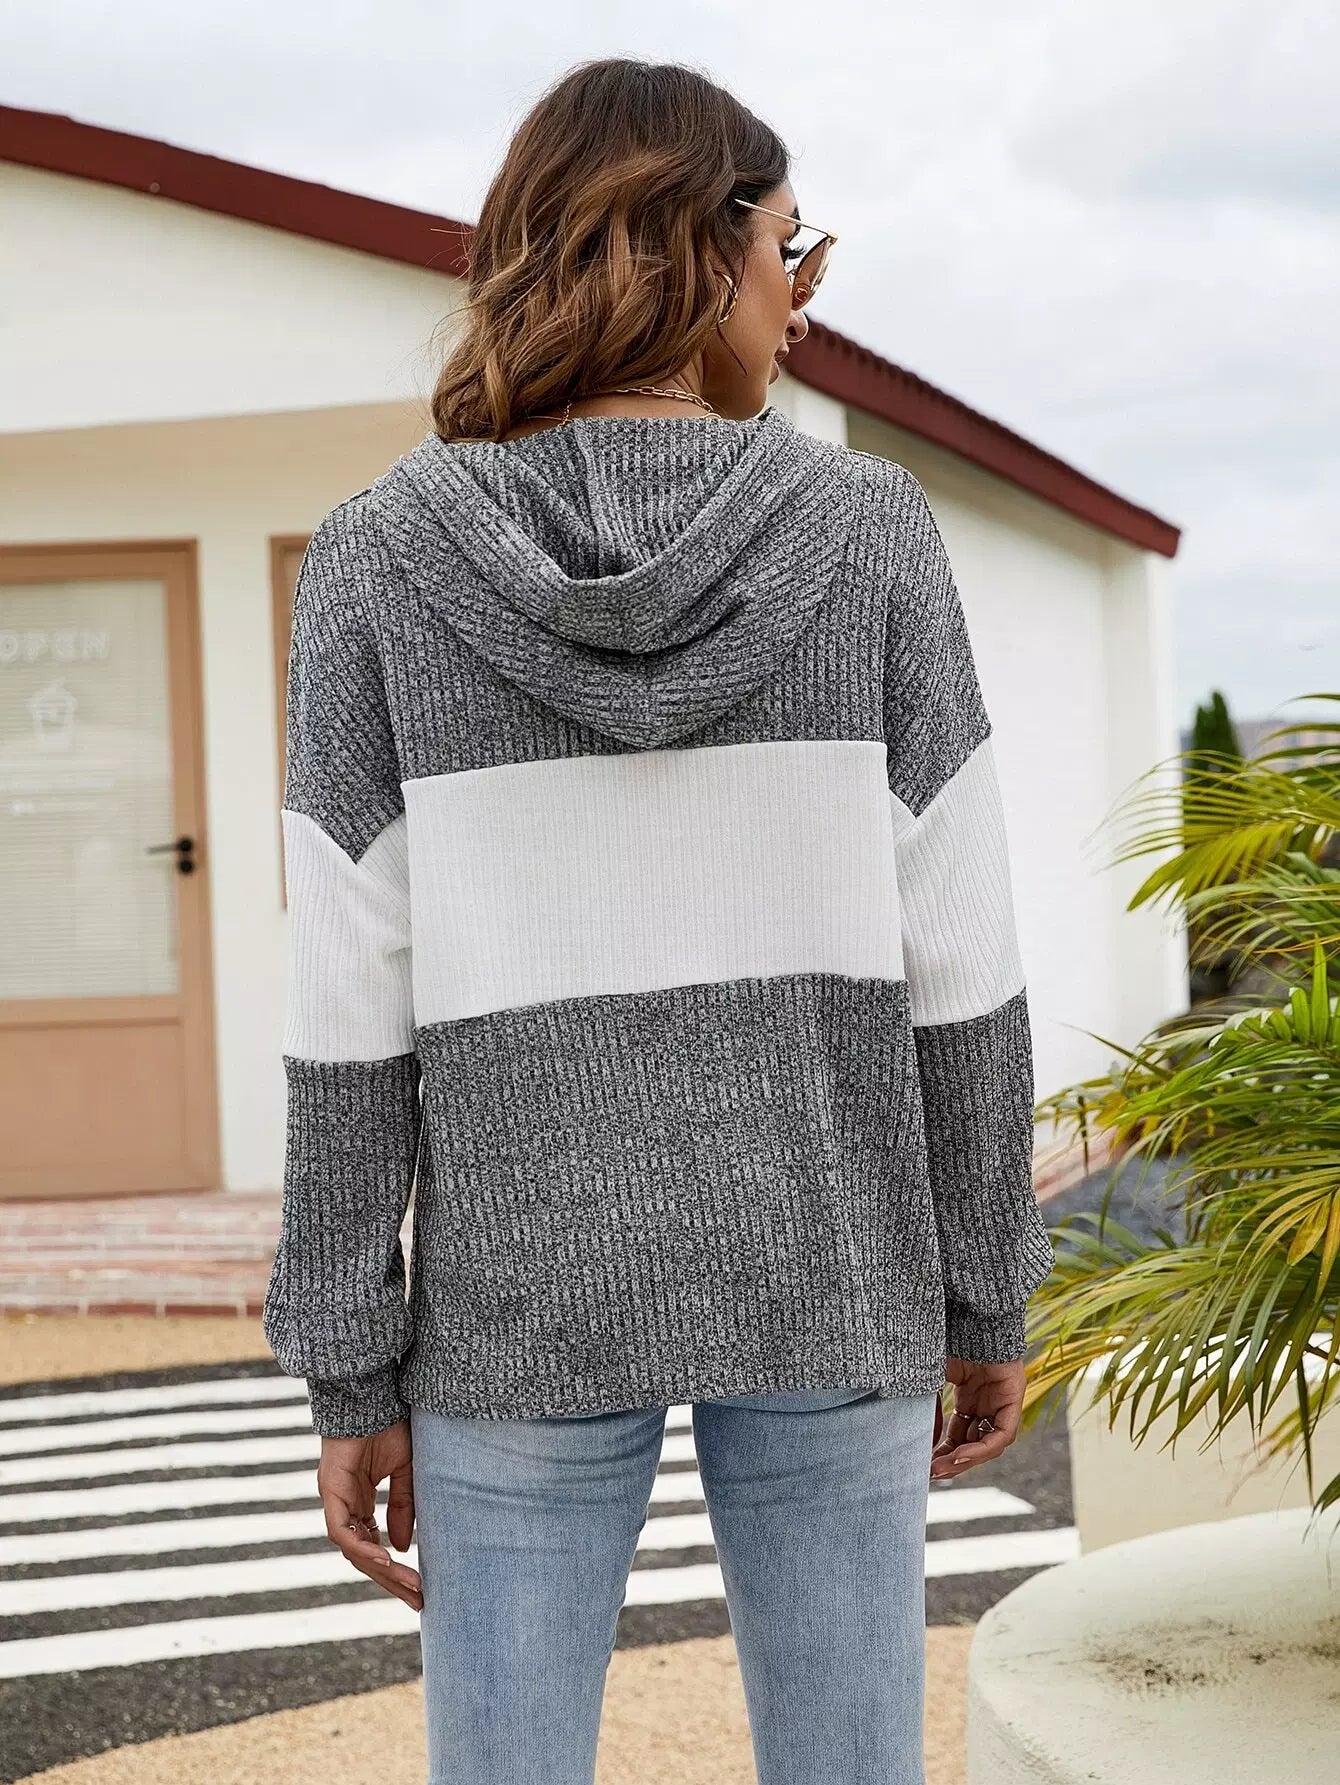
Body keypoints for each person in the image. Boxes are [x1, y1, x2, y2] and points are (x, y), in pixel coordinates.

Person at [262, 54, 1056, 1785]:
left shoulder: (376, 558)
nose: (804, 294)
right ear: (698, 251)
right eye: (792, 245)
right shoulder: (868, 534)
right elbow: (964, 967)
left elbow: (346, 1008)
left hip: (515, 1303)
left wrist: (349, 1367)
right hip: (832, 1269)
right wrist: (988, 1288)